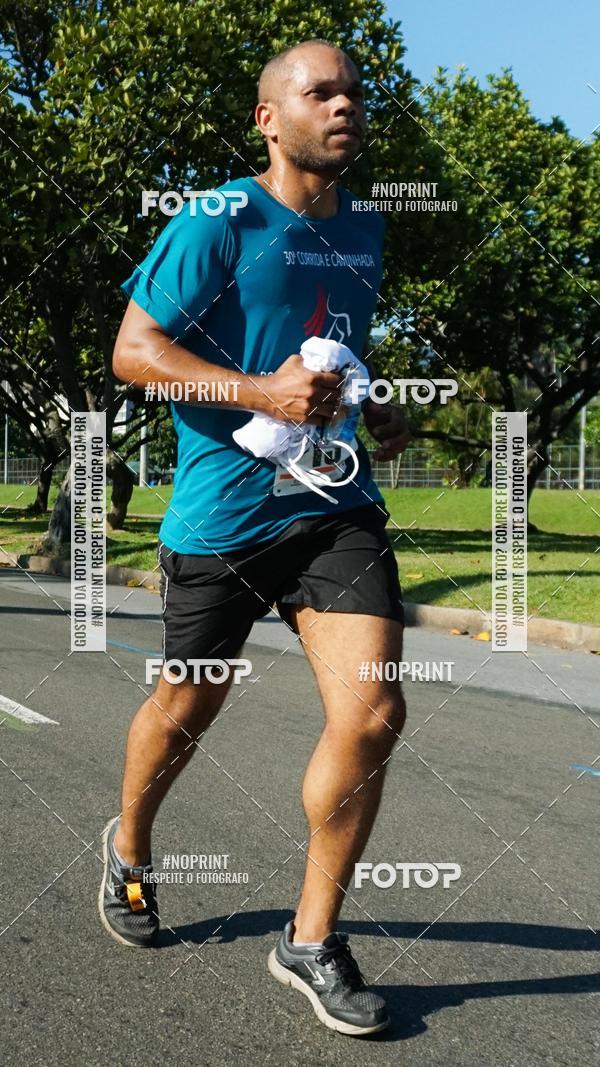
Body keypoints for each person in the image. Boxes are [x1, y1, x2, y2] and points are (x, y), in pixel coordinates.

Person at [100, 38, 410, 1036]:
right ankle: (131, 842)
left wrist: (373, 403)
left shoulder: (363, 227)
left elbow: (334, 344)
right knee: (187, 704)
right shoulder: (216, 218)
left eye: (355, 93)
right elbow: (134, 353)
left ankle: (311, 938)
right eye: (321, 92)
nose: (346, 106)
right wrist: (257, 391)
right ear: (269, 119)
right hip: (222, 513)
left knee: (373, 712)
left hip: (329, 507)